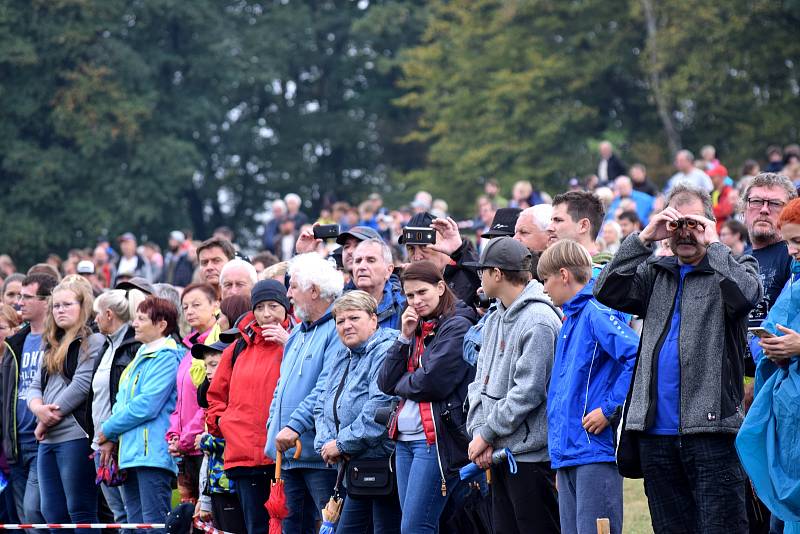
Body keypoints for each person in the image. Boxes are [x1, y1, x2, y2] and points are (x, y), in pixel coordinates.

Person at [594, 184, 762, 534]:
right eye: (676, 223)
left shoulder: (734, 265)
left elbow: (745, 297)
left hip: (713, 430)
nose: (684, 232)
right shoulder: (656, 272)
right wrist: (643, 238)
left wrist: (714, 244)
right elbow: (606, 290)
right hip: (656, 435)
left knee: (723, 527)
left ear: (710, 224)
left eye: (694, 223)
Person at [537, 240, 638, 534]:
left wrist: (608, 409)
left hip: (594, 451)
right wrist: (559, 456)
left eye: (546, 280)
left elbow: (638, 357)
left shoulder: (597, 312)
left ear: (564, 274)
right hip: (569, 454)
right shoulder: (571, 319)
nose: (544, 289)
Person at [464, 238, 561, 534]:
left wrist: (487, 433)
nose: (479, 278)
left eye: (482, 271)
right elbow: (479, 381)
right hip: (498, 452)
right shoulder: (494, 317)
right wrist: (481, 433)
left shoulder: (540, 320)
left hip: (530, 458)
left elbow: (528, 392)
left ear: (497, 274)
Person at [378, 260, 478, 534]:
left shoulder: (458, 325)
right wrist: (403, 338)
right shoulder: (416, 325)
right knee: (414, 526)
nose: (416, 301)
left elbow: (432, 383)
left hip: (435, 440)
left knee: (415, 527)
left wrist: (404, 382)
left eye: (423, 292)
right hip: (404, 440)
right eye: (410, 295)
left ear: (441, 287)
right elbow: (385, 382)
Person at [265, 253, 344, 533]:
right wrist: (272, 426)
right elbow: (281, 386)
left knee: (330, 527)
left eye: (293, 286)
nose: (288, 294)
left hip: (319, 456)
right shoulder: (297, 334)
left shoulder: (338, 329)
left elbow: (325, 389)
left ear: (313, 290)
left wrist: (292, 426)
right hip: (288, 454)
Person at [207, 280, 291, 534]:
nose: (266, 314)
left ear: (286, 309)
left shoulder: (297, 340)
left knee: (290, 526)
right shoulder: (237, 347)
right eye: (261, 307)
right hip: (243, 455)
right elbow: (215, 395)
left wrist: (288, 344)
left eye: (274, 306)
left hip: (282, 454)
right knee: (255, 527)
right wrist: (223, 424)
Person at [314, 291, 401, 534]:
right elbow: (321, 403)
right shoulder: (342, 354)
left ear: (373, 319)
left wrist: (342, 444)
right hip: (351, 468)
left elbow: (381, 409)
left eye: (354, 318)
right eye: (340, 321)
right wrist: (325, 443)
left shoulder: (386, 351)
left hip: (381, 465)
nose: (346, 326)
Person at [98, 296, 182, 534]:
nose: (134, 323)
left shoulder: (167, 357)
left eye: (141, 318)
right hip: (131, 453)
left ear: (162, 324)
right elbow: (121, 401)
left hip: (152, 455)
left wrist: (108, 429)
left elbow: (146, 404)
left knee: (154, 525)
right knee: (134, 526)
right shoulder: (140, 356)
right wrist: (111, 438)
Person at [27, 277, 104, 533]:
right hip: (47, 438)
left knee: (80, 509)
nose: (60, 310)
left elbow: (81, 386)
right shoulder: (51, 343)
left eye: (67, 304)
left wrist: (46, 418)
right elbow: (34, 386)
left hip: (75, 436)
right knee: (51, 512)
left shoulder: (93, 342)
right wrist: (38, 410)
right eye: (56, 306)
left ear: (83, 306)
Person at [1, 272, 58, 527]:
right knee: (24, 519)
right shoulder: (15, 343)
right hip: (15, 444)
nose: (19, 302)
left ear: (46, 301)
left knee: (35, 511)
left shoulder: (57, 342)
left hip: (44, 438)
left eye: (26, 297)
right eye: (18, 296)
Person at [88, 289, 146, 529]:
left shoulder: (131, 347)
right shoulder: (107, 346)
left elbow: (128, 399)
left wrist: (111, 435)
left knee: (128, 514)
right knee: (117, 513)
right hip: (100, 442)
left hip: (119, 442)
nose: (94, 320)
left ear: (109, 314)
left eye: (97, 314)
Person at [169, 283, 219, 503]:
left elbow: (207, 400)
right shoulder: (190, 350)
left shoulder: (215, 346)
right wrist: (173, 435)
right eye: (185, 306)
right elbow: (181, 402)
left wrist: (186, 438)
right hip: (185, 449)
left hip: (202, 445)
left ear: (215, 305)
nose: (190, 311)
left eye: (196, 305)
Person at [192, 340, 245, 534]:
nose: (207, 370)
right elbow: (209, 460)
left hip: (232, 484)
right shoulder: (213, 401)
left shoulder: (237, 397)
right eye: (206, 365)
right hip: (216, 486)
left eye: (214, 364)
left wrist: (206, 440)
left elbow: (236, 437)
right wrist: (203, 499)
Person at [400, 212, 482, 307]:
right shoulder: (407, 280)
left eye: (424, 247)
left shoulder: (467, 273)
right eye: (411, 248)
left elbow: (489, 283)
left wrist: (459, 251)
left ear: (445, 241)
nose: (417, 257)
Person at [351, 239, 405, 330]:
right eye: (358, 261)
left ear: (389, 270)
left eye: (371, 260)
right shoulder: (341, 306)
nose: (361, 266)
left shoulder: (403, 306)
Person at [548, 191, 608, 264]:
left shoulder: (608, 273)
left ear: (583, 226)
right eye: (551, 220)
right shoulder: (554, 267)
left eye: (558, 220)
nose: (549, 228)